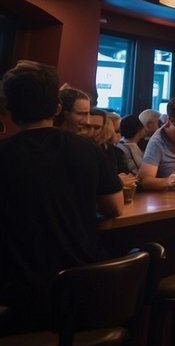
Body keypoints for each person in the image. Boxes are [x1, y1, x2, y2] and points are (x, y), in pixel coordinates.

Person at [0, 62, 122, 331]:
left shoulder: (5, 155)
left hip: (21, 294)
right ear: (57, 108)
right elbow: (115, 207)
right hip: (85, 285)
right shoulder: (88, 149)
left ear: (8, 109)